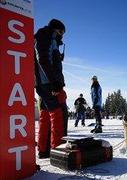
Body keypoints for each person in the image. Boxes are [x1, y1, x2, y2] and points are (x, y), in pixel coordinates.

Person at [34, 19, 68, 158]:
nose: (62, 36)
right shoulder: (47, 37)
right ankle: (58, 152)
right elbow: (43, 59)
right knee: (59, 113)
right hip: (48, 83)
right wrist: (54, 82)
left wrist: (58, 57)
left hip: (42, 83)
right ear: (55, 29)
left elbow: (45, 58)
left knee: (45, 116)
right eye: (61, 32)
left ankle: (44, 150)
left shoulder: (44, 38)